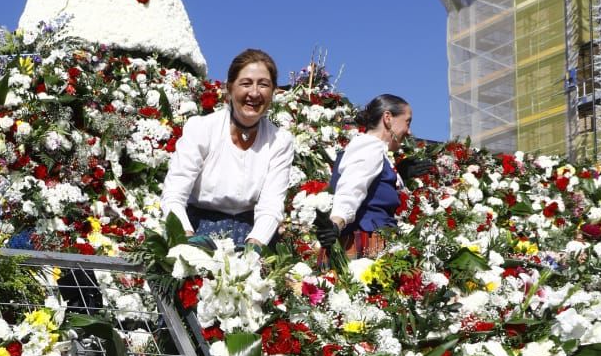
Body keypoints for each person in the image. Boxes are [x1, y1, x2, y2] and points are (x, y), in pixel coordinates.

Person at [161, 49, 294, 249]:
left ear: (273, 91)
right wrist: (186, 242)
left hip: (255, 235)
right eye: (246, 83)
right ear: (230, 88)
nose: (254, 93)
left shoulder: (280, 141)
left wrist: (253, 249)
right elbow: (174, 194)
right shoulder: (201, 128)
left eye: (263, 84)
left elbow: (271, 205)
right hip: (197, 231)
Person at [316, 94, 432, 257]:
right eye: (407, 122)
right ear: (388, 118)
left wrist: (400, 175)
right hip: (365, 247)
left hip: (371, 244)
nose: (409, 131)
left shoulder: (373, 149)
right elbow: (352, 188)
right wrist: (336, 223)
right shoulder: (369, 146)